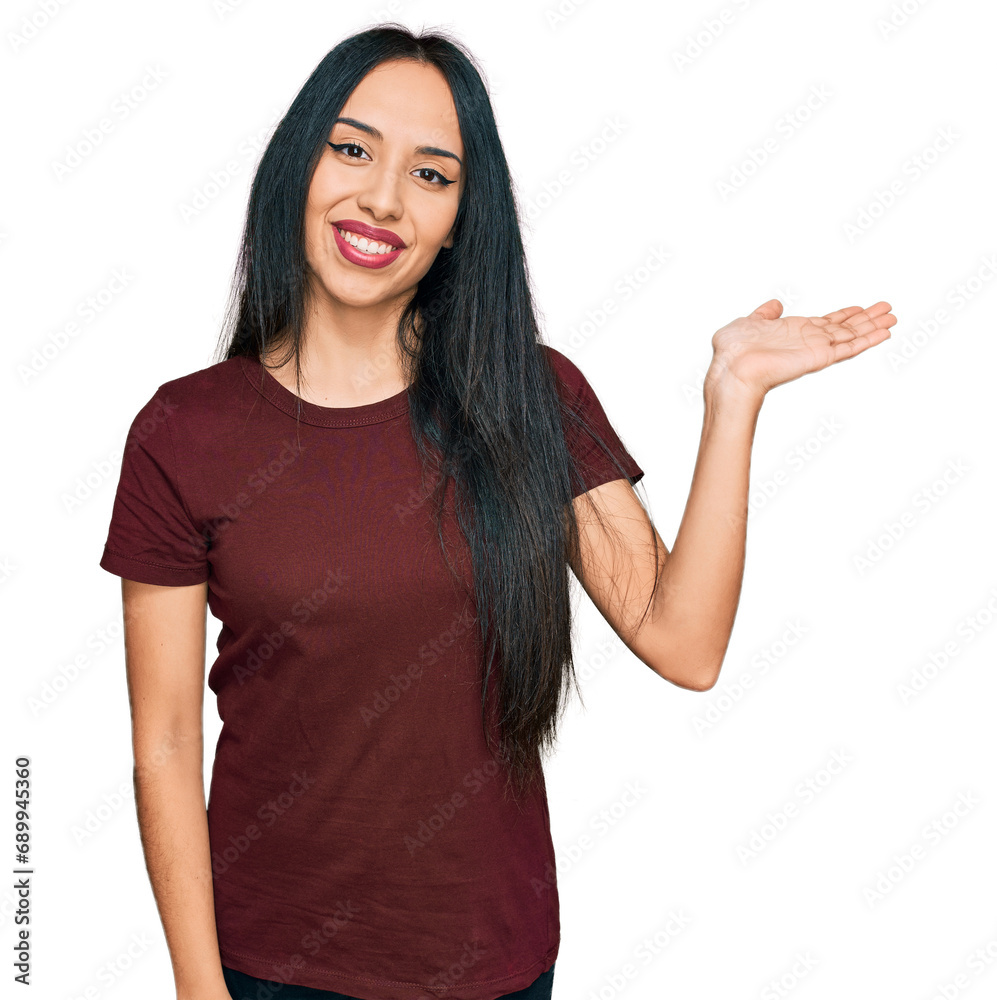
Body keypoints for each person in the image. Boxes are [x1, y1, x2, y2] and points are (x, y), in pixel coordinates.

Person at [97, 23, 896, 1000]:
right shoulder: (185, 431)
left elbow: (684, 644)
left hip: (493, 966)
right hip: (264, 967)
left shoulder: (530, 397)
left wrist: (732, 400)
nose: (382, 197)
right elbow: (167, 741)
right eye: (351, 149)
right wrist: (194, 987)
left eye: (431, 175)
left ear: (458, 219)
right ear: (295, 165)